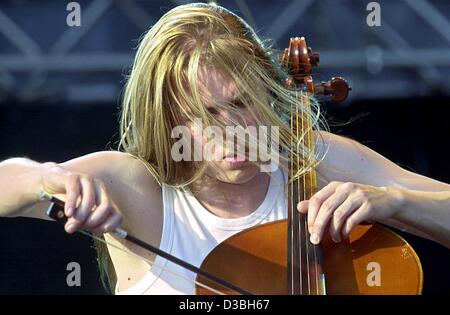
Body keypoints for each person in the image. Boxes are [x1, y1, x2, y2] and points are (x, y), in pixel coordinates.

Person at [0, 3, 449, 295]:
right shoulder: (138, 188)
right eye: (204, 115)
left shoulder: (310, 161)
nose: (231, 130)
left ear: (267, 93)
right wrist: (49, 180)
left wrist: (396, 201)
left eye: (240, 103)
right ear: (169, 118)